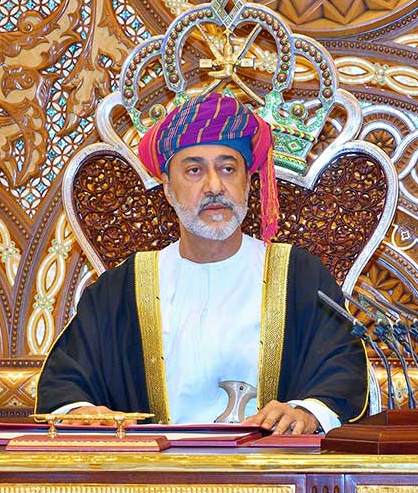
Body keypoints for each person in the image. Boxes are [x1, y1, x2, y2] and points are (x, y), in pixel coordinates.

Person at [35, 93, 368, 434]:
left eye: (228, 169)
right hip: (157, 467)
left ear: (248, 183)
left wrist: (306, 412)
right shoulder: (122, 289)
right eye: (194, 170)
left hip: (271, 465)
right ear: (168, 188)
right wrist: (82, 412)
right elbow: (65, 382)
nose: (214, 186)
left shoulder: (299, 277)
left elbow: (343, 369)